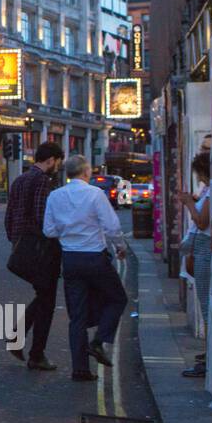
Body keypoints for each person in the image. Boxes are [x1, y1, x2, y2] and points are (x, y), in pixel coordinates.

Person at [43, 154, 129, 382]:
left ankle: (80, 369)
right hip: (95, 257)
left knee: (77, 316)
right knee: (117, 298)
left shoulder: (55, 196)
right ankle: (99, 341)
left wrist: (68, 230)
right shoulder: (95, 194)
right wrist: (120, 247)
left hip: (70, 259)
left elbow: (49, 231)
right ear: (85, 172)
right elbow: (111, 226)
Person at [3, 142, 65, 371]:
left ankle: (20, 340)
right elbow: (42, 218)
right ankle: (34, 353)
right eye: (57, 162)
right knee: (46, 300)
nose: (57, 167)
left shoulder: (20, 180)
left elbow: (9, 216)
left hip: (22, 246)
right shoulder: (42, 181)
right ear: (51, 160)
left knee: (44, 297)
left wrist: (16, 242)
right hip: (41, 249)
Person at [177, 152, 212, 378]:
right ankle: (209, 353)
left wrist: (190, 203)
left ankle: (210, 357)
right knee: (205, 302)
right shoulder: (208, 191)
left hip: (205, 249)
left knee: (207, 305)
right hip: (201, 249)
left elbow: (202, 222)